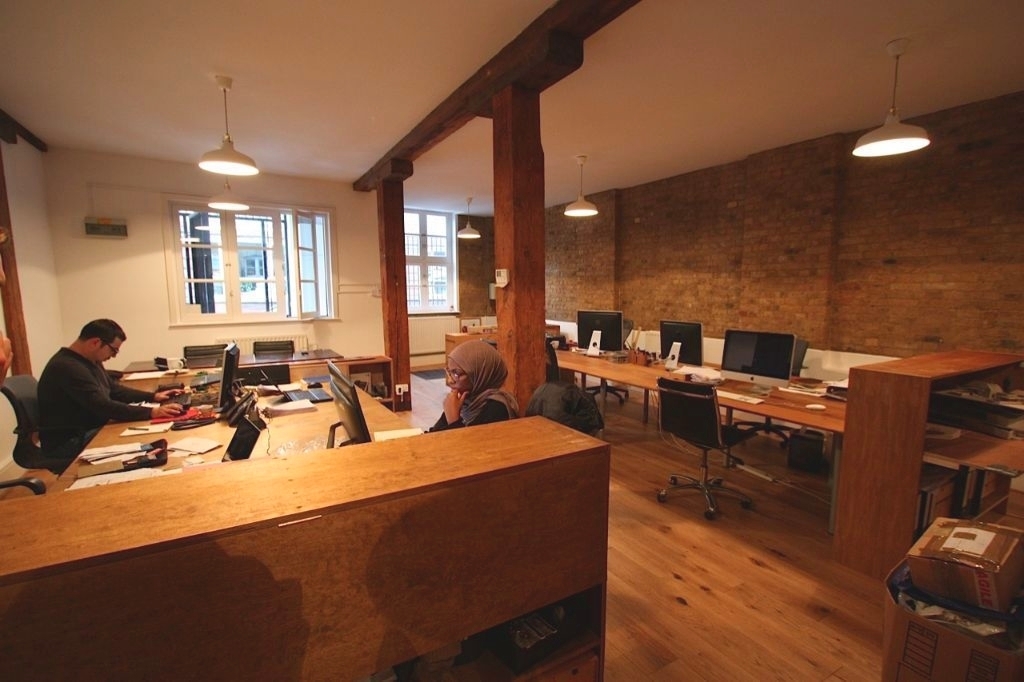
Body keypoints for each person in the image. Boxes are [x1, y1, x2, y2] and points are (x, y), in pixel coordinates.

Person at [38, 319, 186, 460]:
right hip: (71, 440)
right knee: (144, 439)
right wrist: (152, 412)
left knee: (146, 431)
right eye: (113, 350)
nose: (114, 356)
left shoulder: (89, 360)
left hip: (89, 428)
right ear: (95, 342)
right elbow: (103, 406)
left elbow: (115, 390)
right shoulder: (67, 367)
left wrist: (153, 397)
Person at [429, 340, 518, 431]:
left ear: (481, 374)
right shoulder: (466, 401)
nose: (450, 381)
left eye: (456, 373)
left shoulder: (497, 408)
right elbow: (434, 435)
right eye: (449, 372)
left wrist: (453, 419)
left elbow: (470, 443)